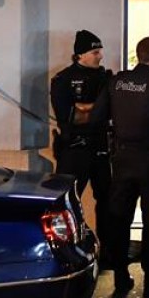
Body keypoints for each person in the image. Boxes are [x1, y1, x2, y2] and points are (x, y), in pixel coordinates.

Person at [91, 36, 149, 298]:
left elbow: (97, 118)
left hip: (121, 159)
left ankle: (121, 276)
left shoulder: (116, 81)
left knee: (120, 218)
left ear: (137, 56)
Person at [50, 29, 114, 266]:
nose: (100, 56)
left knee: (106, 200)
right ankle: (68, 251)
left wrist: (87, 109)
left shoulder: (107, 78)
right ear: (81, 55)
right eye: (95, 52)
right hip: (74, 150)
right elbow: (69, 116)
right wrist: (97, 108)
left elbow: (109, 112)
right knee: (66, 202)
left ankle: (108, 253)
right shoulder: (63, 79)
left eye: (100, 51)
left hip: (100, 148)